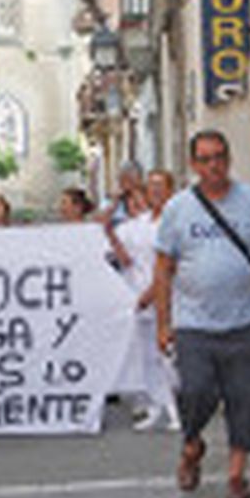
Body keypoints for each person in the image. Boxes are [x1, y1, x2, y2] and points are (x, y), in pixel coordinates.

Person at [154, 129, 250, 498]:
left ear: (228, 160)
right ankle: (192, 445)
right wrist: (163, 323)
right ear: (194, 165)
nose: (214, 166)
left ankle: (236, 475)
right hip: (194, 324)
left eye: (220, 157)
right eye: (206, 159)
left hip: (245, 321)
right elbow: (162, 268)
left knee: (244, 399)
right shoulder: (178, 208)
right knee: (195, 393)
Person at [114, 169, 178, 432]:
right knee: (147, 357)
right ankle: (156, 406)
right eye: (150, 187)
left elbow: (171, 264)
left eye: (160, 186)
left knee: (168, 356)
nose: (154, 191)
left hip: (167, 297)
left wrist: (152, 293)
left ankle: (176, 410)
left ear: (170, 190)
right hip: (139, 298)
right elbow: (119, 249)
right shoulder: (140, 224)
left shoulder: (174, 221)